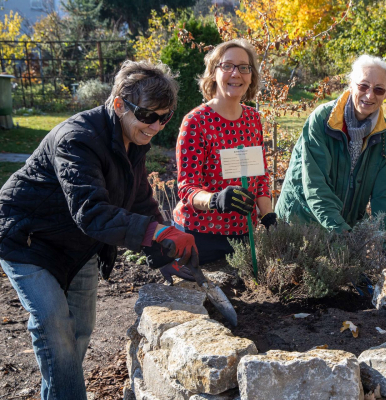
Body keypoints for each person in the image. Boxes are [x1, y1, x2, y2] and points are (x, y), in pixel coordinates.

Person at [0, 60, 200, 399]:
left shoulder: (133, 138)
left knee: (78, 333)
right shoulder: (77, 139)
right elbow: (91, 212)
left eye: (164, 117)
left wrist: (163, 248)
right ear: (119, 104)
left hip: (78, 244)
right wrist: (157, 234)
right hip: (27, 239)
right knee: (55, 327)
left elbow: (138, 200)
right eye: (148, 116)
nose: (155, 126)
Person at [160, 38, 274, 282]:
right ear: (213, 73)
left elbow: (260, 176)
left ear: (251, 76)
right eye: (227, 66)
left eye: (244, 67)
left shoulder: (253, 119)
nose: (236, 73)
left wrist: (268, 216)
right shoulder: (196, 122)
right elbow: (187, 188)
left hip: (243, 235)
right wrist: (216, 200)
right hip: (201, 235)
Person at [274, 55, 386, 238]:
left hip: (341, 227)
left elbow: (384, 196)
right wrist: (341, 230)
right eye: (363, 86)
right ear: (350, 85)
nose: (370, 95)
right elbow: (315, 183)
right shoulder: (323, 120)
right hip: (300, 222)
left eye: (379, 90)